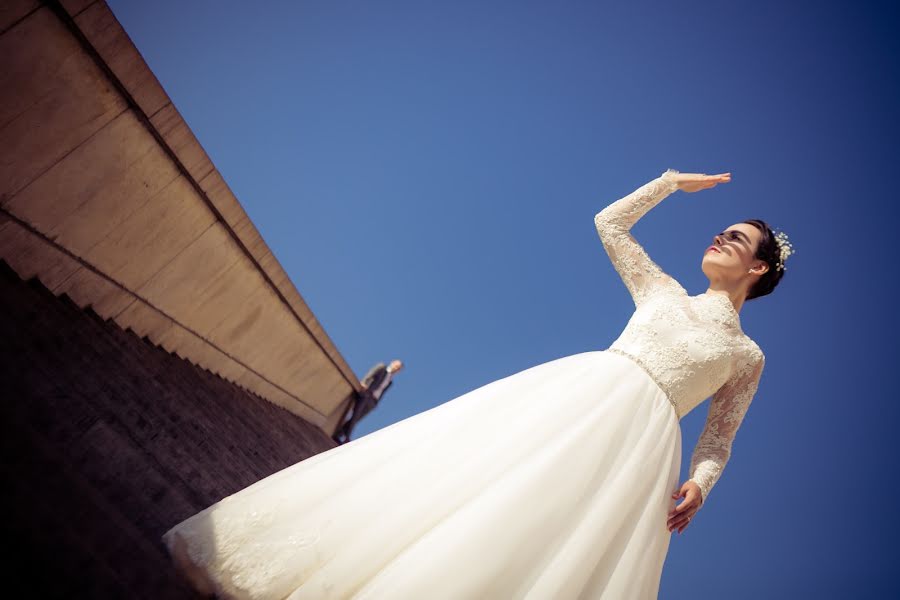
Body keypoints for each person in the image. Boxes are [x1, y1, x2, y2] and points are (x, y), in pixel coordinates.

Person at [161, 168, 793, 599]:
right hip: (580, 396)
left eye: (735, 237)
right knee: (483, 489)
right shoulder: (660, 290)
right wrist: (667, 183)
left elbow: (718, 437)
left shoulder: (745, 353)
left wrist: (702, 485)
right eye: (721, 229)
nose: (719, 236)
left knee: (551, 537)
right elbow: (609, 225)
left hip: (641, 452)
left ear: (758, 268)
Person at [334, 360, 403, 444]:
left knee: (357, 419)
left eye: (398, 368)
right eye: (396, 366)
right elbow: (370, 374)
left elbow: (382, 392)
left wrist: (376, 403)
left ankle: (339, 435)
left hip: (373, 402)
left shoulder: (390, 382)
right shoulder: (382, 367)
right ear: (392, 363)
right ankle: (346, 438)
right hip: (367, 394)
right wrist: (364, 383)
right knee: (355, 414)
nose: (396, 368)